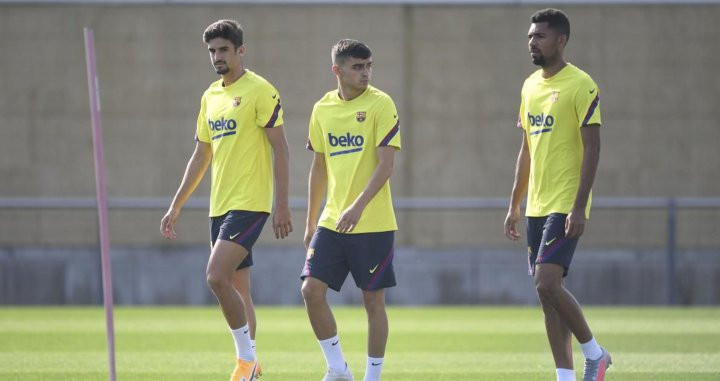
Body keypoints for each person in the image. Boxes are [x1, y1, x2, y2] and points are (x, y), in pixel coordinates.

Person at [160, 19, 292, 381]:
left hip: (250, 203)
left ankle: (245, 362)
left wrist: (282, 204)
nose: (217, 56)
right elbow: (201, 156)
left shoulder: (260, 90)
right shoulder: (210, 96)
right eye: (212, 51)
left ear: (240, 51)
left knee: (215, 277)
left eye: (223, 50)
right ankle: (254, 363)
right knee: (238, 288)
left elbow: (280, 149)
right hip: (219, 205)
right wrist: (176, 204)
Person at [503, 9, 611, 381]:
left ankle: (595, 354)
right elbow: (526, 149)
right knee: (547, 295)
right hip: (535, 204)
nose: (532, 42)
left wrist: (580, 205)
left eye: (540, 36)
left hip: (566, 202)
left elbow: (593, 147)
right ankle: (565, 377)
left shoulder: (582, 85)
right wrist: (514, 204)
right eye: (530, 36)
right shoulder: (529, 85)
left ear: (561, 41)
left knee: (546, 281)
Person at [301, 39, 401, 381]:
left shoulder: (381, 104)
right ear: (337, 70)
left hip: (372, 222)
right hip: (332, 222)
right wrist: (311, 220)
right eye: (357, 67)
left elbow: (386, 165)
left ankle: (372, 377)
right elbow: (319, 166)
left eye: (369, 65)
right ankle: (337, 368)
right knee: (311, 291)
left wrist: (358, 207)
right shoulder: (322, 109)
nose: (365, 73)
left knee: (372, 302)